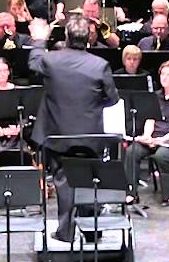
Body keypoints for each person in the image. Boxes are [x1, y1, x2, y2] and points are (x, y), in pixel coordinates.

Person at [26, 15, 119, 243]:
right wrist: (91, 105)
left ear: (66, 36)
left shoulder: (51, 61)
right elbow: (112, 99)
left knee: (63, 181)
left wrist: (39, 38)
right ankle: (91, 231)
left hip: (58, 134)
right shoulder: (100, 65)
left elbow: (33, 61)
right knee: (90, 179)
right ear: (88, 38)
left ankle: (66, 232)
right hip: (90, 134)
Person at [124, 60, 169, 204]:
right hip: (156, 137)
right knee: (131, 151)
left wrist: (163, 140)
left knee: (162, 155)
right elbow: (150, 119)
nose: (164, 78)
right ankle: (131, 193)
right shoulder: (155, 96)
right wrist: (147, 136)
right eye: (162, 74)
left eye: (168, 75)